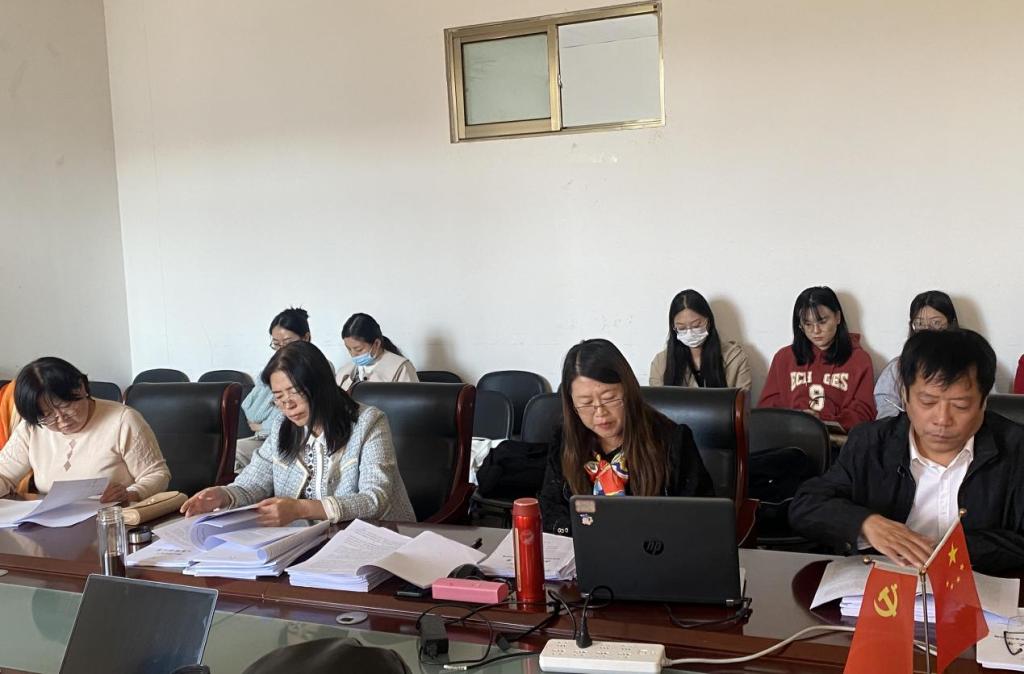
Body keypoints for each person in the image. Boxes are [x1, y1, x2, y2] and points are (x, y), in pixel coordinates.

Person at [789, 329, 1024, 575]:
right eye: (928, 402)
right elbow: (806, 505)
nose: (942, 419)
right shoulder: (871, 443)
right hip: (885, 587)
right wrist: (865, 523)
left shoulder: (1016, 449)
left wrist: (954, 549)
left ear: (983, 402)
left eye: (960, 405)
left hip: (982, 585)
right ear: (905, 396)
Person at [182, 341, 415, 525]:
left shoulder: (368, 422)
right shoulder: (281, 426)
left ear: (320, 386)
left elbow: (375, 499)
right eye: (279, 397)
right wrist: (224, 495)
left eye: (294, 392)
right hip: (307, 541)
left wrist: (300, 509)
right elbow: (254, 483)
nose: (288, 405)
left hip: (373, 537)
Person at [538, 338, 714, 535]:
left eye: (609, 399)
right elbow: (551, 510)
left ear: (628, 391)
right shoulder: (565, 440)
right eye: (586, 403)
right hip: (584, 549)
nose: (600, 412)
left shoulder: (672, 441)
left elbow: (700, 519)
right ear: (572, 405)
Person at [0, 357, 170, 501]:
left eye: (65, 406)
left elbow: (157, 474)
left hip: (112, 519)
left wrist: (131, 494)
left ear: (81, 388)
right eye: (47, 415)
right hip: (51, 521)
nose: (61, 419)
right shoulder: (32, 428)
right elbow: (4, 475)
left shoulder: (123, 420)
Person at [758, 286, 875, 432]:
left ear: (838, 317)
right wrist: (796, 419)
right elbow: (767, 408)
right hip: (790, 437)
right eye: (808, 324)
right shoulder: (784, 358)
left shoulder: (859, 360)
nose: (815, 331)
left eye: (822, 322)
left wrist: (822, 420)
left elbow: (864, 412)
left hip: (838, 438)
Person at [874, 291, 958, 419]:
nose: (927, 330)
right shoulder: (897, 368)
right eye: (919, 324)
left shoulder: (967, 366)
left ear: (951, 324)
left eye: (936, 323)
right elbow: (886, 414)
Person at [649, 289, 752, 390]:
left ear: (709, 321)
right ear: (673, 328)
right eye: (681, 328)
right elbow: (655, 399)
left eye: (696, 325)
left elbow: (742, 399)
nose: (689, 333)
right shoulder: (661, 363)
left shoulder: (734, 358)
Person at [240, 307, 312, 437]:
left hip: (293, 437)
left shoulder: (316, 367)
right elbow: (251, 412)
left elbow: (296, 417)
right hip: (264, 437)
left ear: (305, 338)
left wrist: (262, 426)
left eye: (287, 343)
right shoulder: (272, 369)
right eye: (276, 344)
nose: (281, 350)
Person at [335, 313, 418, 391]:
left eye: (359, 349)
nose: (353, 354)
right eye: (349, 349)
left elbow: (412, 399)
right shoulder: (344, 372)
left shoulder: (401, 367)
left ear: (377, 343)